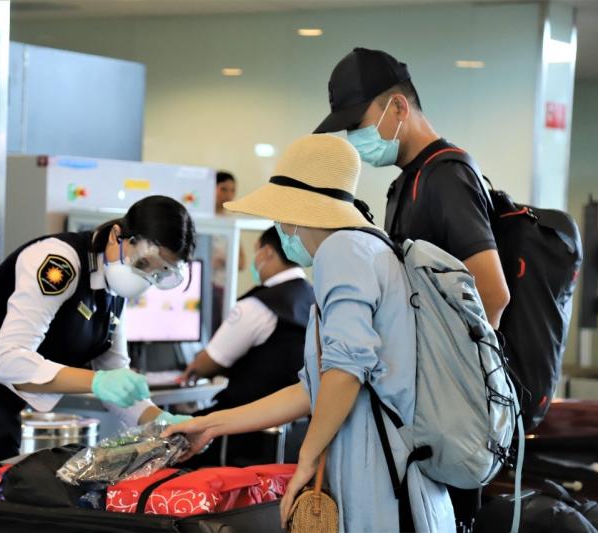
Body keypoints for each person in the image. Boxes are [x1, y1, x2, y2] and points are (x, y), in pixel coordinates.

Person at [166, 134, 455, 532]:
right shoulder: (373, 248)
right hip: (406, 480)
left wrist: (307, 459)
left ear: (295, 213)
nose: (283, 229)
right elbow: (312, 389)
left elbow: (343, 373)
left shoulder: (342, 252)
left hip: (379, 482)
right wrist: (211, 424)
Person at [0, 195, 195, 511]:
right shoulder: (58, 260)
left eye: (157, 275)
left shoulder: (114, 293)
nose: (144, 278)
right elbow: (8, 359)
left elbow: (117, 381)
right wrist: (96, 381)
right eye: (142, 263)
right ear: (118, 235)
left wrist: (166, 424)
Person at [314, 47, 508, 530]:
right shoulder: (407, 182)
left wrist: (449, 394)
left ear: (399, 107)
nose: (355, 138)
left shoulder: (446, 176)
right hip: (416, 420)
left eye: (360, 123)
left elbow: (492, 294)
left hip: (446, 416)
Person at [181, 226, 314, 465]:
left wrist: (193, 367)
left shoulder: (257, 305)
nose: (255, 260)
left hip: (243, 431)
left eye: (256, 252)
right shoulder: (314, 296)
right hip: (295, 432)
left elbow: (209, 363)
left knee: (172, 434)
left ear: (268, 252)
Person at [211, 171, 245, 332]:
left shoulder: (231, 223)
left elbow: (242, 262)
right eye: (224, 189)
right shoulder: (202, 219)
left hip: (225, 288)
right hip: (207, 287)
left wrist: (223, 259)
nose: (228, 195)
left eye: (232, 190)